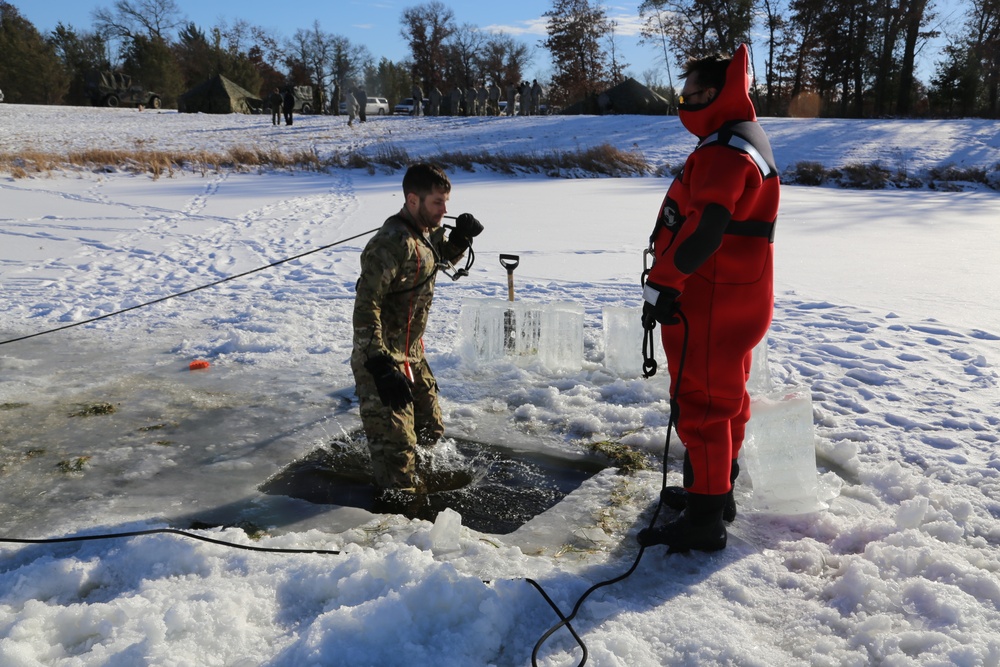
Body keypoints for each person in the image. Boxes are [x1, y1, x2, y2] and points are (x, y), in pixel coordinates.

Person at [637, 44, 779, 553]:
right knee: (727, 399)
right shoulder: (740, 136)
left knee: (702, 407)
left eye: (695, 92)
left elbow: (707, 231)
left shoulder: (724, 149)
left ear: (722, 91)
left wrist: (665, 284)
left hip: (713, 298)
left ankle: (704, 523)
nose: (685, 100)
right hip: (737, 295)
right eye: (684, 92)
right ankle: (715, 493)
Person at [351, 164, 484, 494]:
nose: (445, 210)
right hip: (380, 357)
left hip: (412, 354)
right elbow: (367, 305)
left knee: (430, 428)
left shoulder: (422, 234)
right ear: (413, 200)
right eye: (437, 202)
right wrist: (379, 365)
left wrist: (460, 240)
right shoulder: (389, 245)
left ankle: (416, 478)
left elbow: (430, 263)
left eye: (446, 202)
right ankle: (396, 509)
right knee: (397, 460)